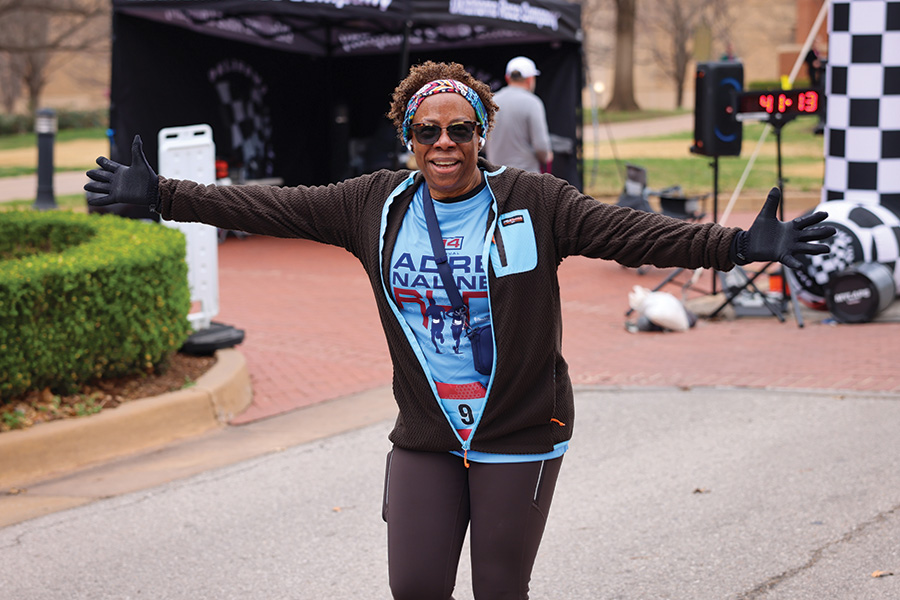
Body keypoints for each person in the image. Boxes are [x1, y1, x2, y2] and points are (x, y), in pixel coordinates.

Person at [85, 60, 835, 600]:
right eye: (427, 131)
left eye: (460, 129)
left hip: (520, 426)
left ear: (482, 133)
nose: (444, 143)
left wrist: (736, 246)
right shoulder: (372, 205)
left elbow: (631, 233)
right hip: (430, 432)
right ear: (406, 138)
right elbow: (267, 207)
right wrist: (162, 194)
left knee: (499, 590)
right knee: (414, 586)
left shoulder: (536, 202)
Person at [484, 56, 553, 173]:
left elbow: (483, 142)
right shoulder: (533, 102)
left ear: (507, 78)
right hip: (526, 177)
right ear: (530, 79)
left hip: (495, 176)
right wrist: (547, 156)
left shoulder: (491, 102)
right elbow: (541, 146)